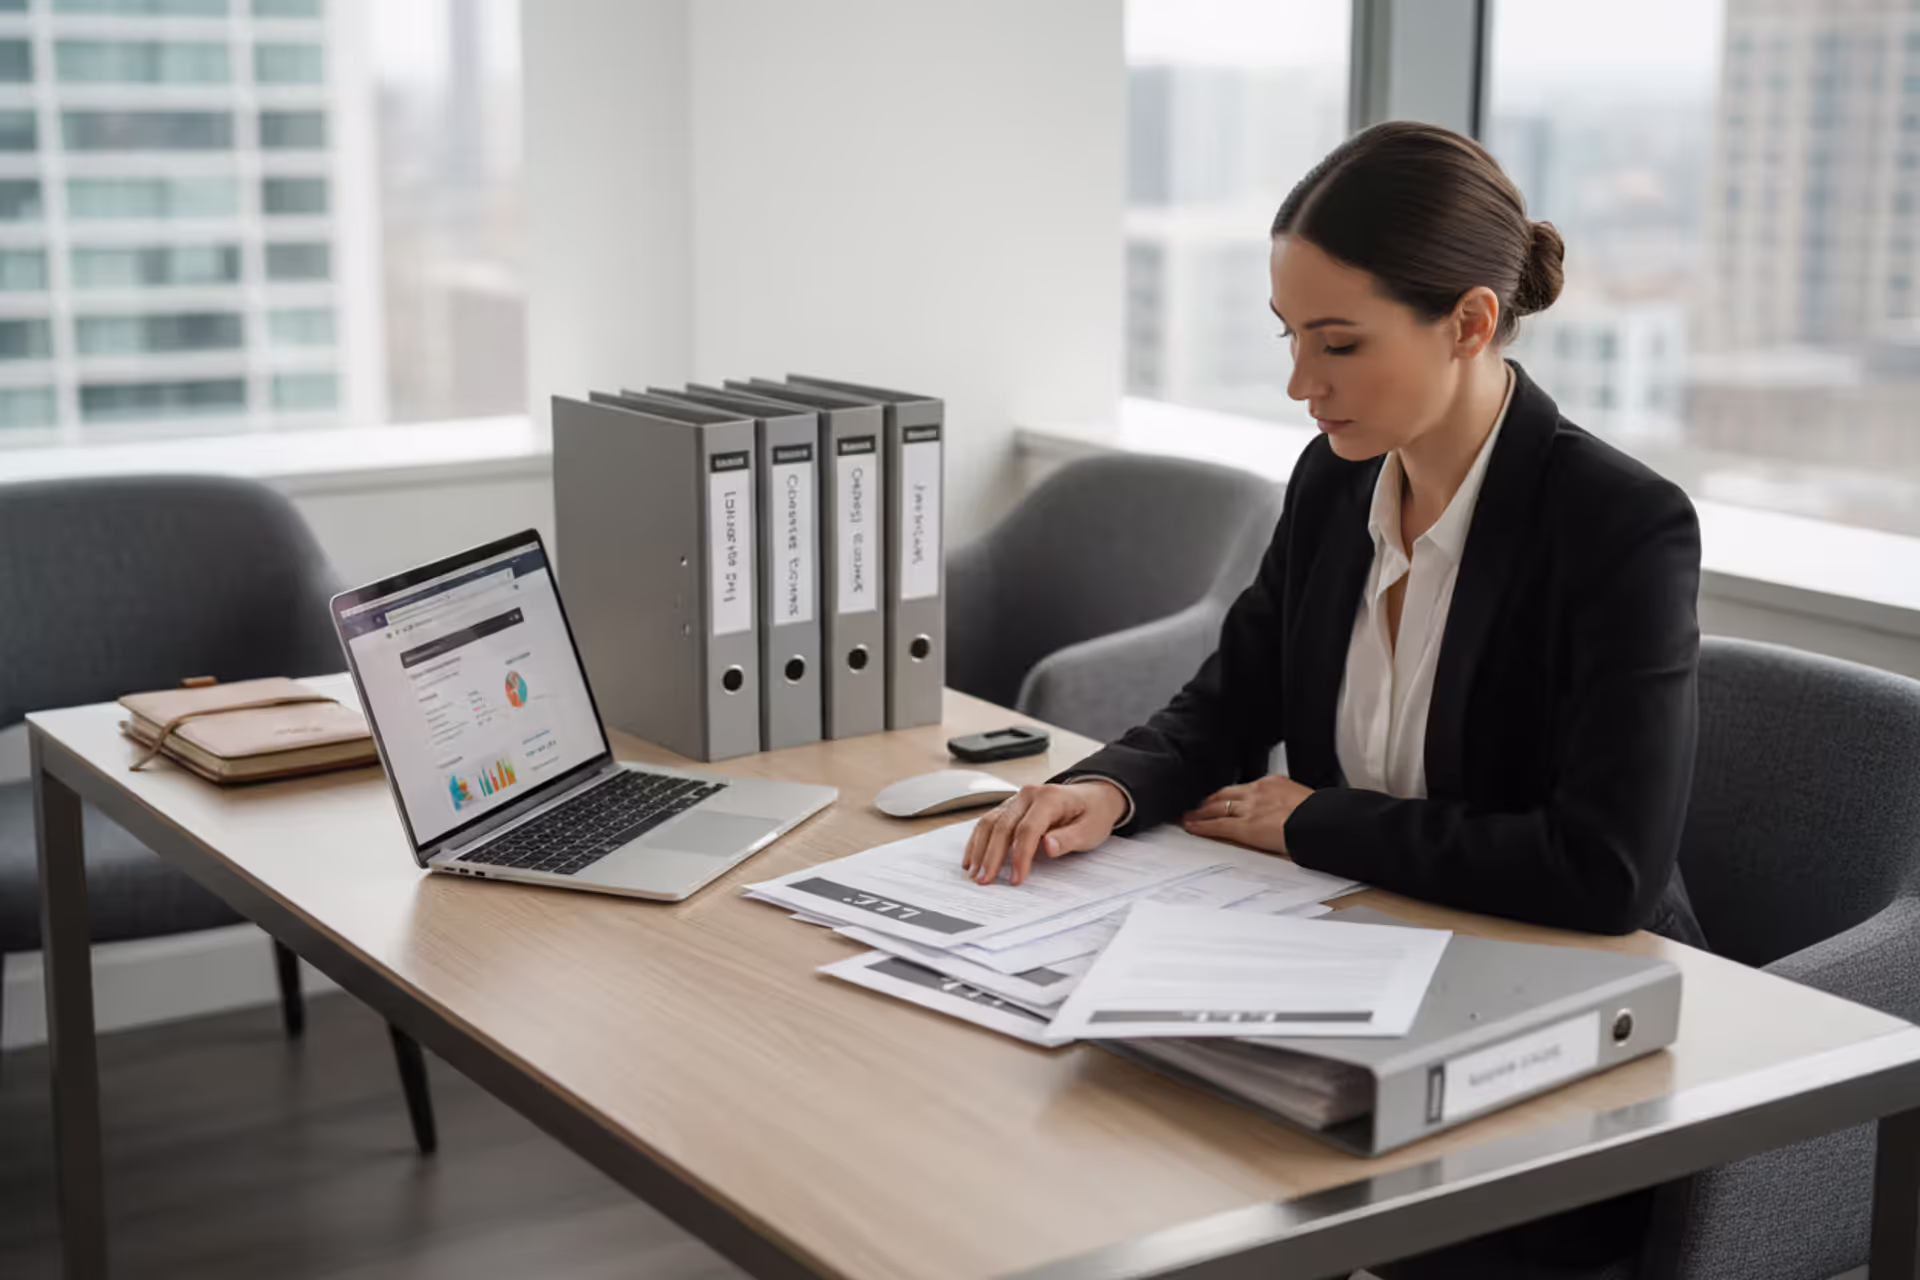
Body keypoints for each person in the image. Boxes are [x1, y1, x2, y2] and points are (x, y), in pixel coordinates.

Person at [960, 119, 1705, 1278]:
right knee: (1079, 1140)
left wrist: (1312, 818)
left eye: (1339, 343)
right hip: (1364, 966)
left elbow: (1604, 871)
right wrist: (1106, 786)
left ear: (1467, 322)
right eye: (1290, 336)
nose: (1300, 384)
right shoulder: (1337, 475)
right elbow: (1230, 692)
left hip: (1558, 1026)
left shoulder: (1618, 526)